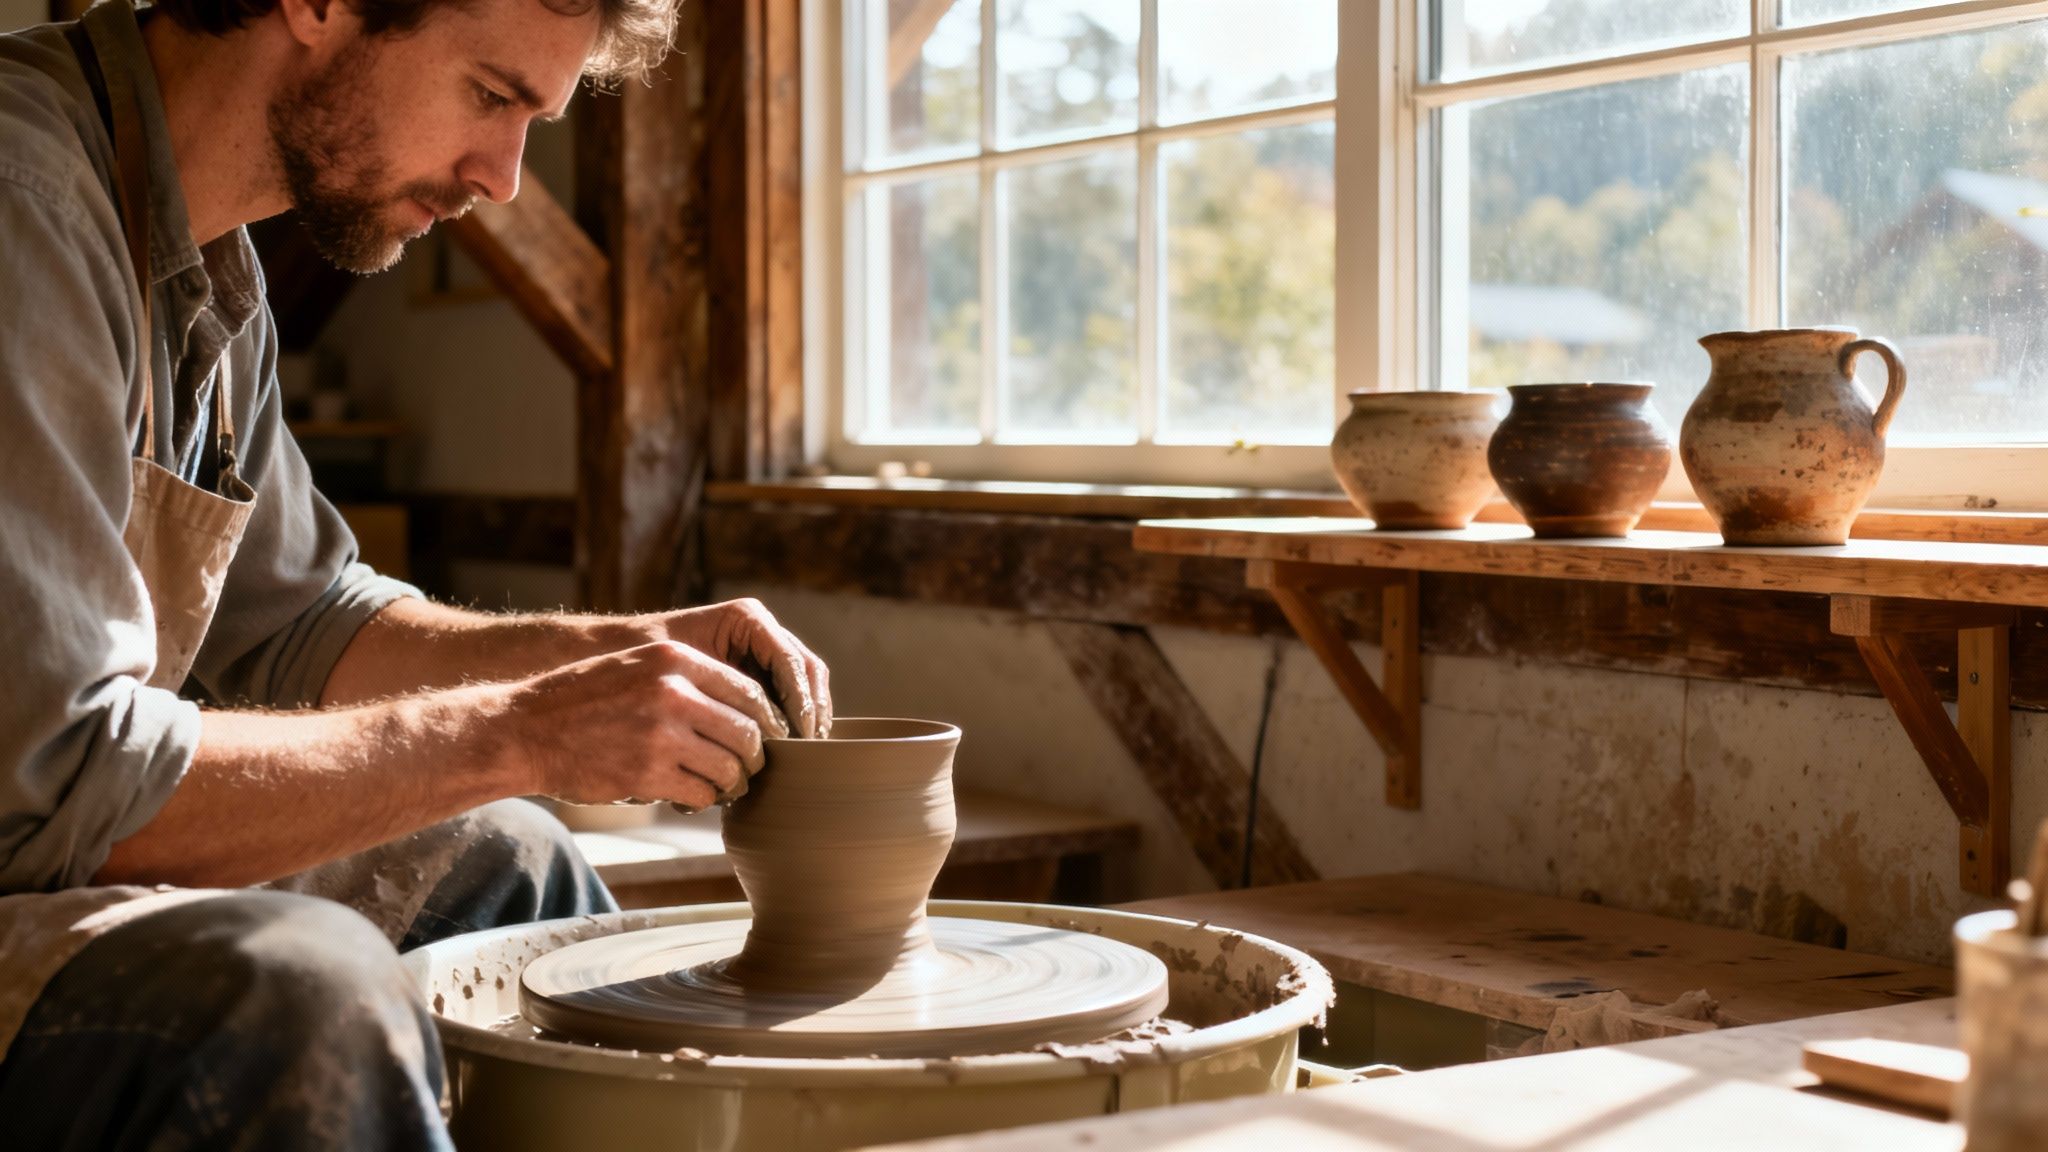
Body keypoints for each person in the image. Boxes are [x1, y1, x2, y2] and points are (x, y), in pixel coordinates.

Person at [0, 0, 830, 1144]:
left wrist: (619, 654)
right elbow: (51, 777)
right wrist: (518, 733)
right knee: (296, 983)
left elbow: (302, 622)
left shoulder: (202, 256)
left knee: (507, 863)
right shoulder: (24, 202)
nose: (501, 177)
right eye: (490, 96)